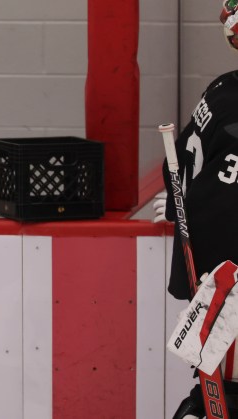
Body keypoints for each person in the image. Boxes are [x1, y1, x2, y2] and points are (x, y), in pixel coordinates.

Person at [158, 2, 238, 417]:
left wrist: (176, 205)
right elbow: (226, 207)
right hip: (226, 282)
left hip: (210, 277)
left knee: (216, 386)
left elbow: (182, 166)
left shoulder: (222, 87)